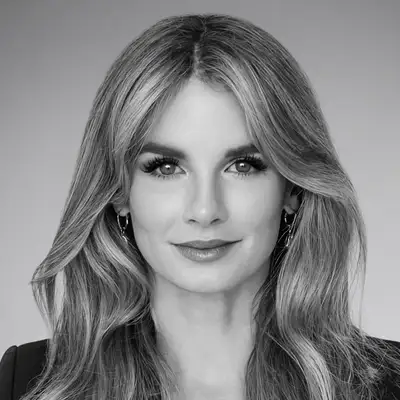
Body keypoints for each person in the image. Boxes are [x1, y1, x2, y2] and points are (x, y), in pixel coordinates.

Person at [1, 12, 399, 400]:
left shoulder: (390, 384)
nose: (205, 210)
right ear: (119, 192)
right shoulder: (25, 383)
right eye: (166, 167)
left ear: (292, 190)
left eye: (242, 166)